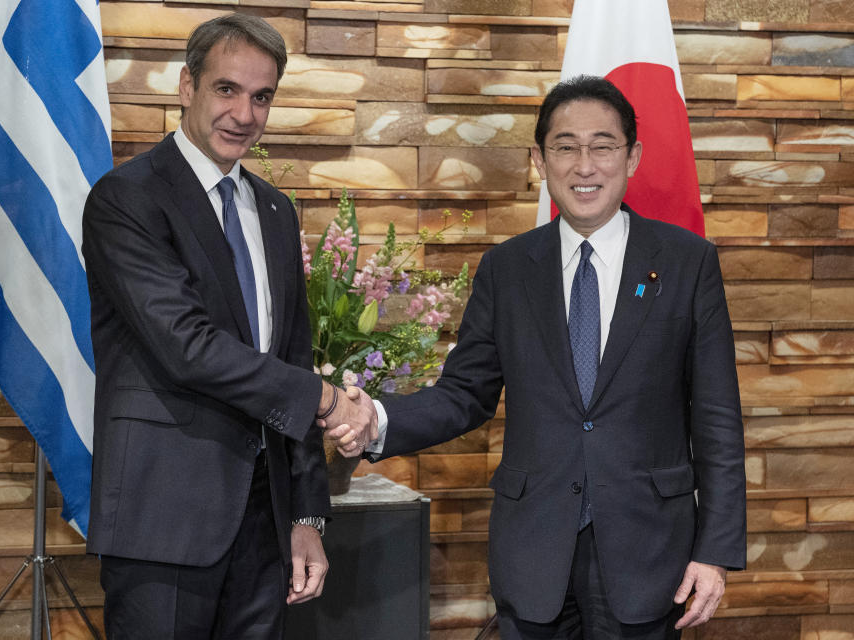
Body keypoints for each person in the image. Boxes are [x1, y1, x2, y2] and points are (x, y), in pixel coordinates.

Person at [325, 75, 746, 639]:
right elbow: (464, 394)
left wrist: (714, 552)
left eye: (603, 146)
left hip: (650, 554)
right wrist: (375, 418)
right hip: (534, 551)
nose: (585, 165)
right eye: (565, 147)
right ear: (539, 161)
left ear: (633, 156)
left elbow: (716, 417)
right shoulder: (506, 269)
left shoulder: (687, 262)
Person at [82, 14, 375, 639]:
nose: (244, 113)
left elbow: (292, 358)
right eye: (226, 89)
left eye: (262, 96)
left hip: (264, 528)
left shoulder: (273, 210)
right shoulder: (126, 199)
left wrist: (306, 516)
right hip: (162, 520)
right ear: (187, 86)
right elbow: (187, 345)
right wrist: (325, 400)